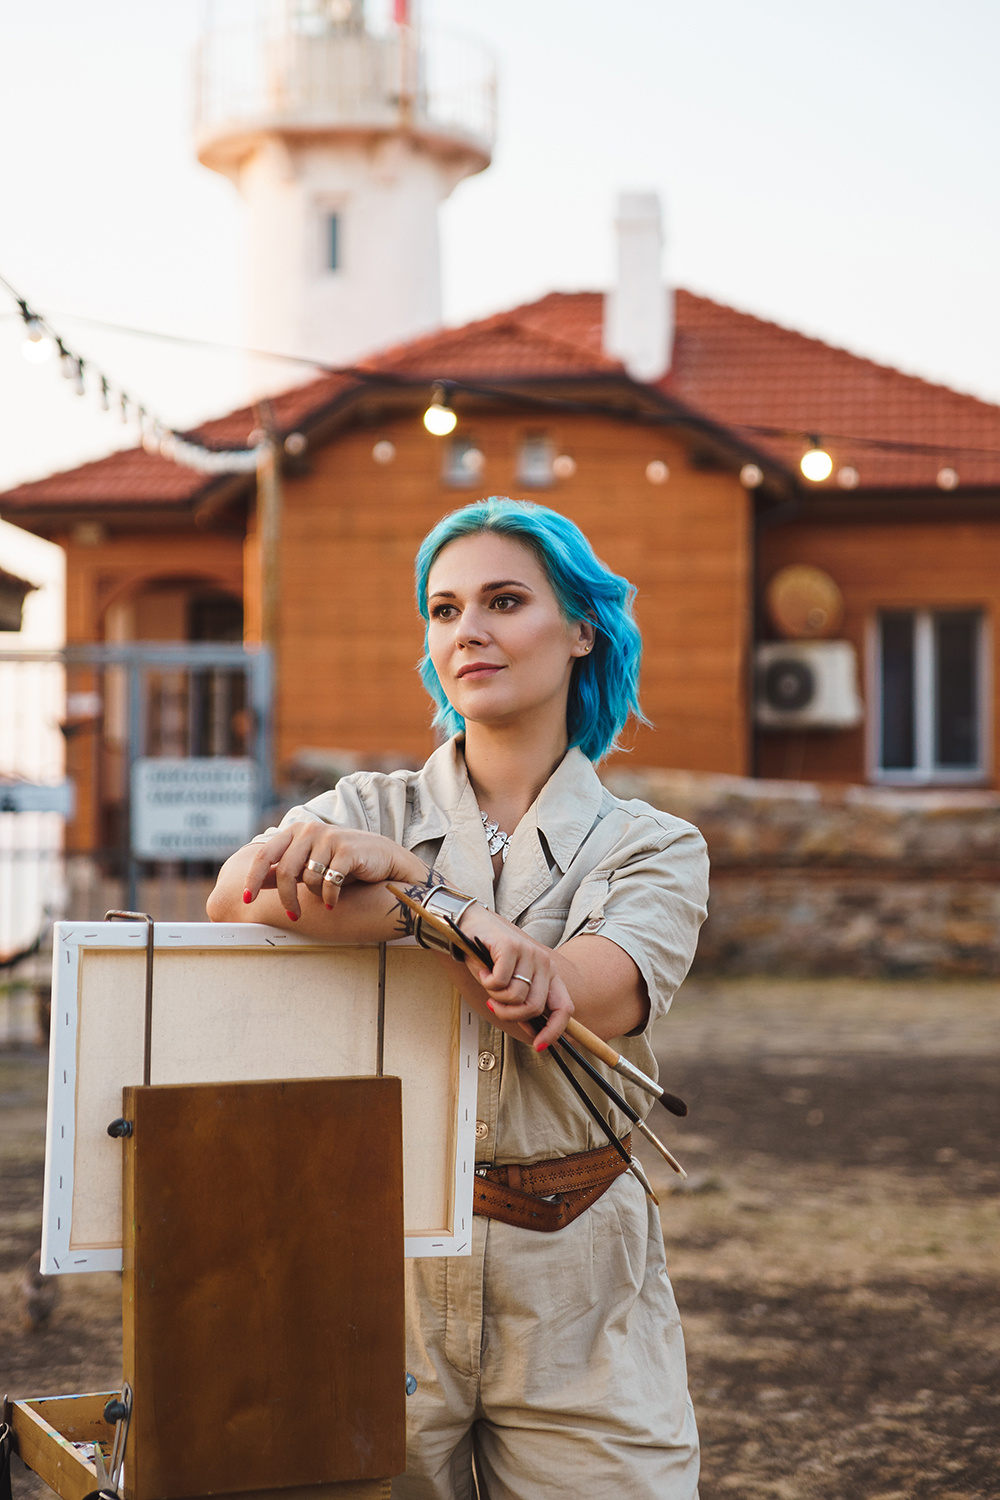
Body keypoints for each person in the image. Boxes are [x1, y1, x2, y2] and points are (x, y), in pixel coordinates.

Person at [207, 497, 709, 1500]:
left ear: (581, 630)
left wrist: (404, 891)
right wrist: (446, 911)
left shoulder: (651, 845)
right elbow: (241, 899)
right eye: (442, 610)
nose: (466, 631)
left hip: (578, 1276)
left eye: (504, 600)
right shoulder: (360, 810)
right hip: (369, 1259)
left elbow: (573, 998)